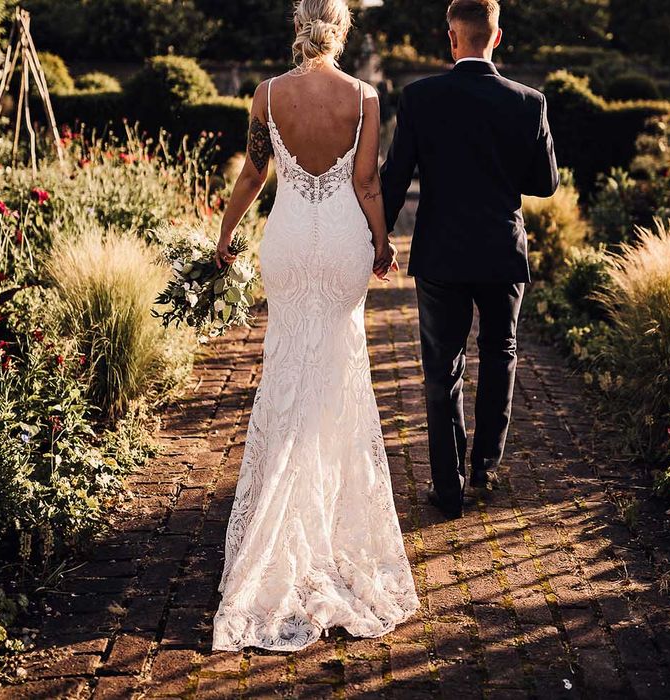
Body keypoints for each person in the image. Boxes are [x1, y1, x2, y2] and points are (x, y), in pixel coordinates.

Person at [212, 0, 418, 653]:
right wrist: (384, 248)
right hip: (340, 251)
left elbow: (253, 172)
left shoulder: (268, 95)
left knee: (287, 369)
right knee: (338, 372)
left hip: (289, 242)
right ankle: (329, 524)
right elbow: (367, 185)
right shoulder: (364, 97)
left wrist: (225, 232)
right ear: (342, 30)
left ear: (299, 29)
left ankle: (278, 528)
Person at [381, 0, 559, 520]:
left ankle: (448, 485)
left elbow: (396, 176)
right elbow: (545, 184)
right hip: (502, 248)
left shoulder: (421, 98)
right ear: (497, 37)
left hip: (440, 252)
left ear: (452, 38)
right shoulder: (529, 102)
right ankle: (485, 463)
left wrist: (377, 239)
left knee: (443, 368)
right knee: (500, 350)